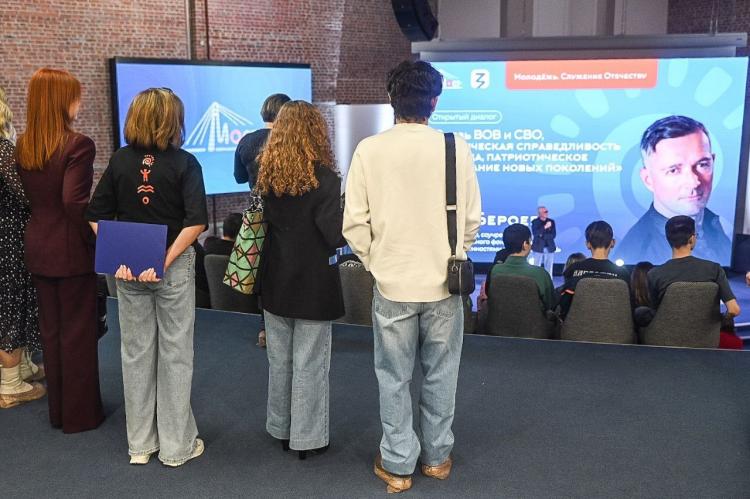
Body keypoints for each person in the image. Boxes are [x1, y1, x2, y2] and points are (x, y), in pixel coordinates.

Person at [344, 60, 481, 493]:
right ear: (434, 102)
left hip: (392, 284)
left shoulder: (369, 149)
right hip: (445, 284)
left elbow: (354, 223)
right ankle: (437, 458)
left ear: (392, 99)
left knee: (393, 377)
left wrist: (376, 262)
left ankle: (398, 464)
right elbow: (472, 219)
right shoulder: (456, 147)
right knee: (442, 373)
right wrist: (455, 253)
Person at [86, 88, 208, 466]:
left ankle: (140, 445)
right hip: (171, 268)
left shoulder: (120, 160)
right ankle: (175, 448)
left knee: (135, 354)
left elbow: (94, 214)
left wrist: (119, 254)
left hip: (129, 270)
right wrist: (165, 259)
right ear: (173, 120)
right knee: (175, 354)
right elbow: (196, 222)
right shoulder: (185, 163)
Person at [17, 68, 104, 432]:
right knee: (78, 334)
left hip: (38, 246)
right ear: (61, 100)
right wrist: (95, 237)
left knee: (51, 334)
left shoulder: (24, 144)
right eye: (76, 96)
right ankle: (79, 416)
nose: (79, 103)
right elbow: (74, 202)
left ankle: (59, 413)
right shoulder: (78, 144)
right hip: (70, 250)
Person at [257, 100, 344, 460]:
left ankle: (281, 428)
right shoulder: (326, 180)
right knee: (310, 363)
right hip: (314, 285)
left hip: (274, 279)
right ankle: (307, 439)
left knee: (280, 361)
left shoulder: (267, 176)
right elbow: (334, 235)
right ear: (316, 132)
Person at [617, 116, 731, 264]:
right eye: (673, 170)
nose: (694, 182)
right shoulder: (637, 255)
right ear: (648, 179)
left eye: (702, 164)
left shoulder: (714, 225)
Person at [0, 88, 45, 409]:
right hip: (8, 240)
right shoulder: (3, 150)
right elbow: (26, 193)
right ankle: (10, 384)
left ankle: (23, 367)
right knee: (11, 306)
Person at [647, 216, 740, 319]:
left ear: (668, 239)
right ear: (692, 239)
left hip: (668, 329)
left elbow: (654, 315)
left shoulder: (654, 274)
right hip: (706, 330)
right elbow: (734, 310)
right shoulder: (715, 270)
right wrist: (716, 323)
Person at [558, 221, 631, 320]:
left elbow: (563, 304)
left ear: (587, 244)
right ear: (613, 243)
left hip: (578, 327)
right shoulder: (623, 274)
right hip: (614, 327)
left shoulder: (573, 269)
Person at [490, 223, 554, 312]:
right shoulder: (541, 274)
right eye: (530, 241)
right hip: (534, 320)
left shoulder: (495, 270)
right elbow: (550, 305)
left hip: (499, 320)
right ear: (525, 244)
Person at [234, 93, 291, 189]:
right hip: (289, 198)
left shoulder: (245, 140)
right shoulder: (293, 141)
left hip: (259, 198)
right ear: (287, 114)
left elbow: (240, 178)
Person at [531, 206, 556, 276]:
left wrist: (542, 236)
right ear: (540, 213)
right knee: (536, 266)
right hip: (538, 247)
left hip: (549, 247)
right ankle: (535, 280)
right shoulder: (535, 222)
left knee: (549, 267)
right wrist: (545, 227)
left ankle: (548, 281)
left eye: (547, 211)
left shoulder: (551, 221)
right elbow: (535, 233)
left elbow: (553, 235)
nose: (547, 213)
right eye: (545, 212)